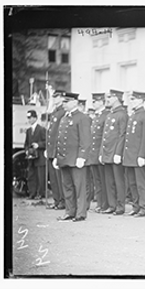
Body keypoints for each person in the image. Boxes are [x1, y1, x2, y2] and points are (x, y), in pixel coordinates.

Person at [53, 92, 91, 222]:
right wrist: (57, 157)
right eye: (63, 102)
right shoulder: (64, 118)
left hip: (76, 159)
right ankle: (69, 211)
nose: (64, 104)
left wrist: (82, 156)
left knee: (79, 187)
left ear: (75, 102)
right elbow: (60, 139)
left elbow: (85, 140)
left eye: (66, 102)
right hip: (64, 158)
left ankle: (80, 213)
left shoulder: (82, 118)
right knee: (67, 186)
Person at [99, 89, 129, 216]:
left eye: (110, 97)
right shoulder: (110, 114)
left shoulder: (122, 114)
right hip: (107, 153)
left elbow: (122, 135)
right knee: (109, 181)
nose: (108, 99)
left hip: (115, 153)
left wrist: (118, 153)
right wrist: (101, 152)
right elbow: (104, 136)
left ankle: (120, 206)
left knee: (118, 181)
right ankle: (112, 205)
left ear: (117, 98)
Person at [122, 90, 145, 218]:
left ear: (141, 100)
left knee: (141, 183)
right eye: (131, 99)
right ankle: (136, 206)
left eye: (133, 99)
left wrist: (142, 155)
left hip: (138, 156)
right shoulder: (133, 115)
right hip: (129, 155)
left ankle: (144, 207)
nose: (131, 102)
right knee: (132, 183)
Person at [86, 92, 110, 213]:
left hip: (101, 153)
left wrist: (102, 153)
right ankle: (100, 203)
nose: (93, 103)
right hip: (93, 154)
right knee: (97, 181)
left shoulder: (106, 115)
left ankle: (104, 204)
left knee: (103, 181)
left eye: (95, 101)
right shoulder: (96, 116)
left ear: (101, 102)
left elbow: (104, 138)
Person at [45, 90, 66, 210]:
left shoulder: (62, 112)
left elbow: (60, 133)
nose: (55, 99)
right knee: (53, 178)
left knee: (59, 178)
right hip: (51, 149)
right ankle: (57, 200)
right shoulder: (55, 112)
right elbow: (50, 132)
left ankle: (62, 201)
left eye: (57, 97)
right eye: (54, 97)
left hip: (57, 150)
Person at [24, 110, 47, 200]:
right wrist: (26, 150)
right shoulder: (28, 131)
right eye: (28, 118)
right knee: (31, 176)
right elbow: (26, 143)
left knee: (40, 177)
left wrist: (39, 145)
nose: (29, 120)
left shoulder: (41, 129)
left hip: (40, 157)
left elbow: (47, 142)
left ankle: (40, 194)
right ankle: (32, 193)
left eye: (30, 117)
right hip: (31, 158)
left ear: (35, 118)